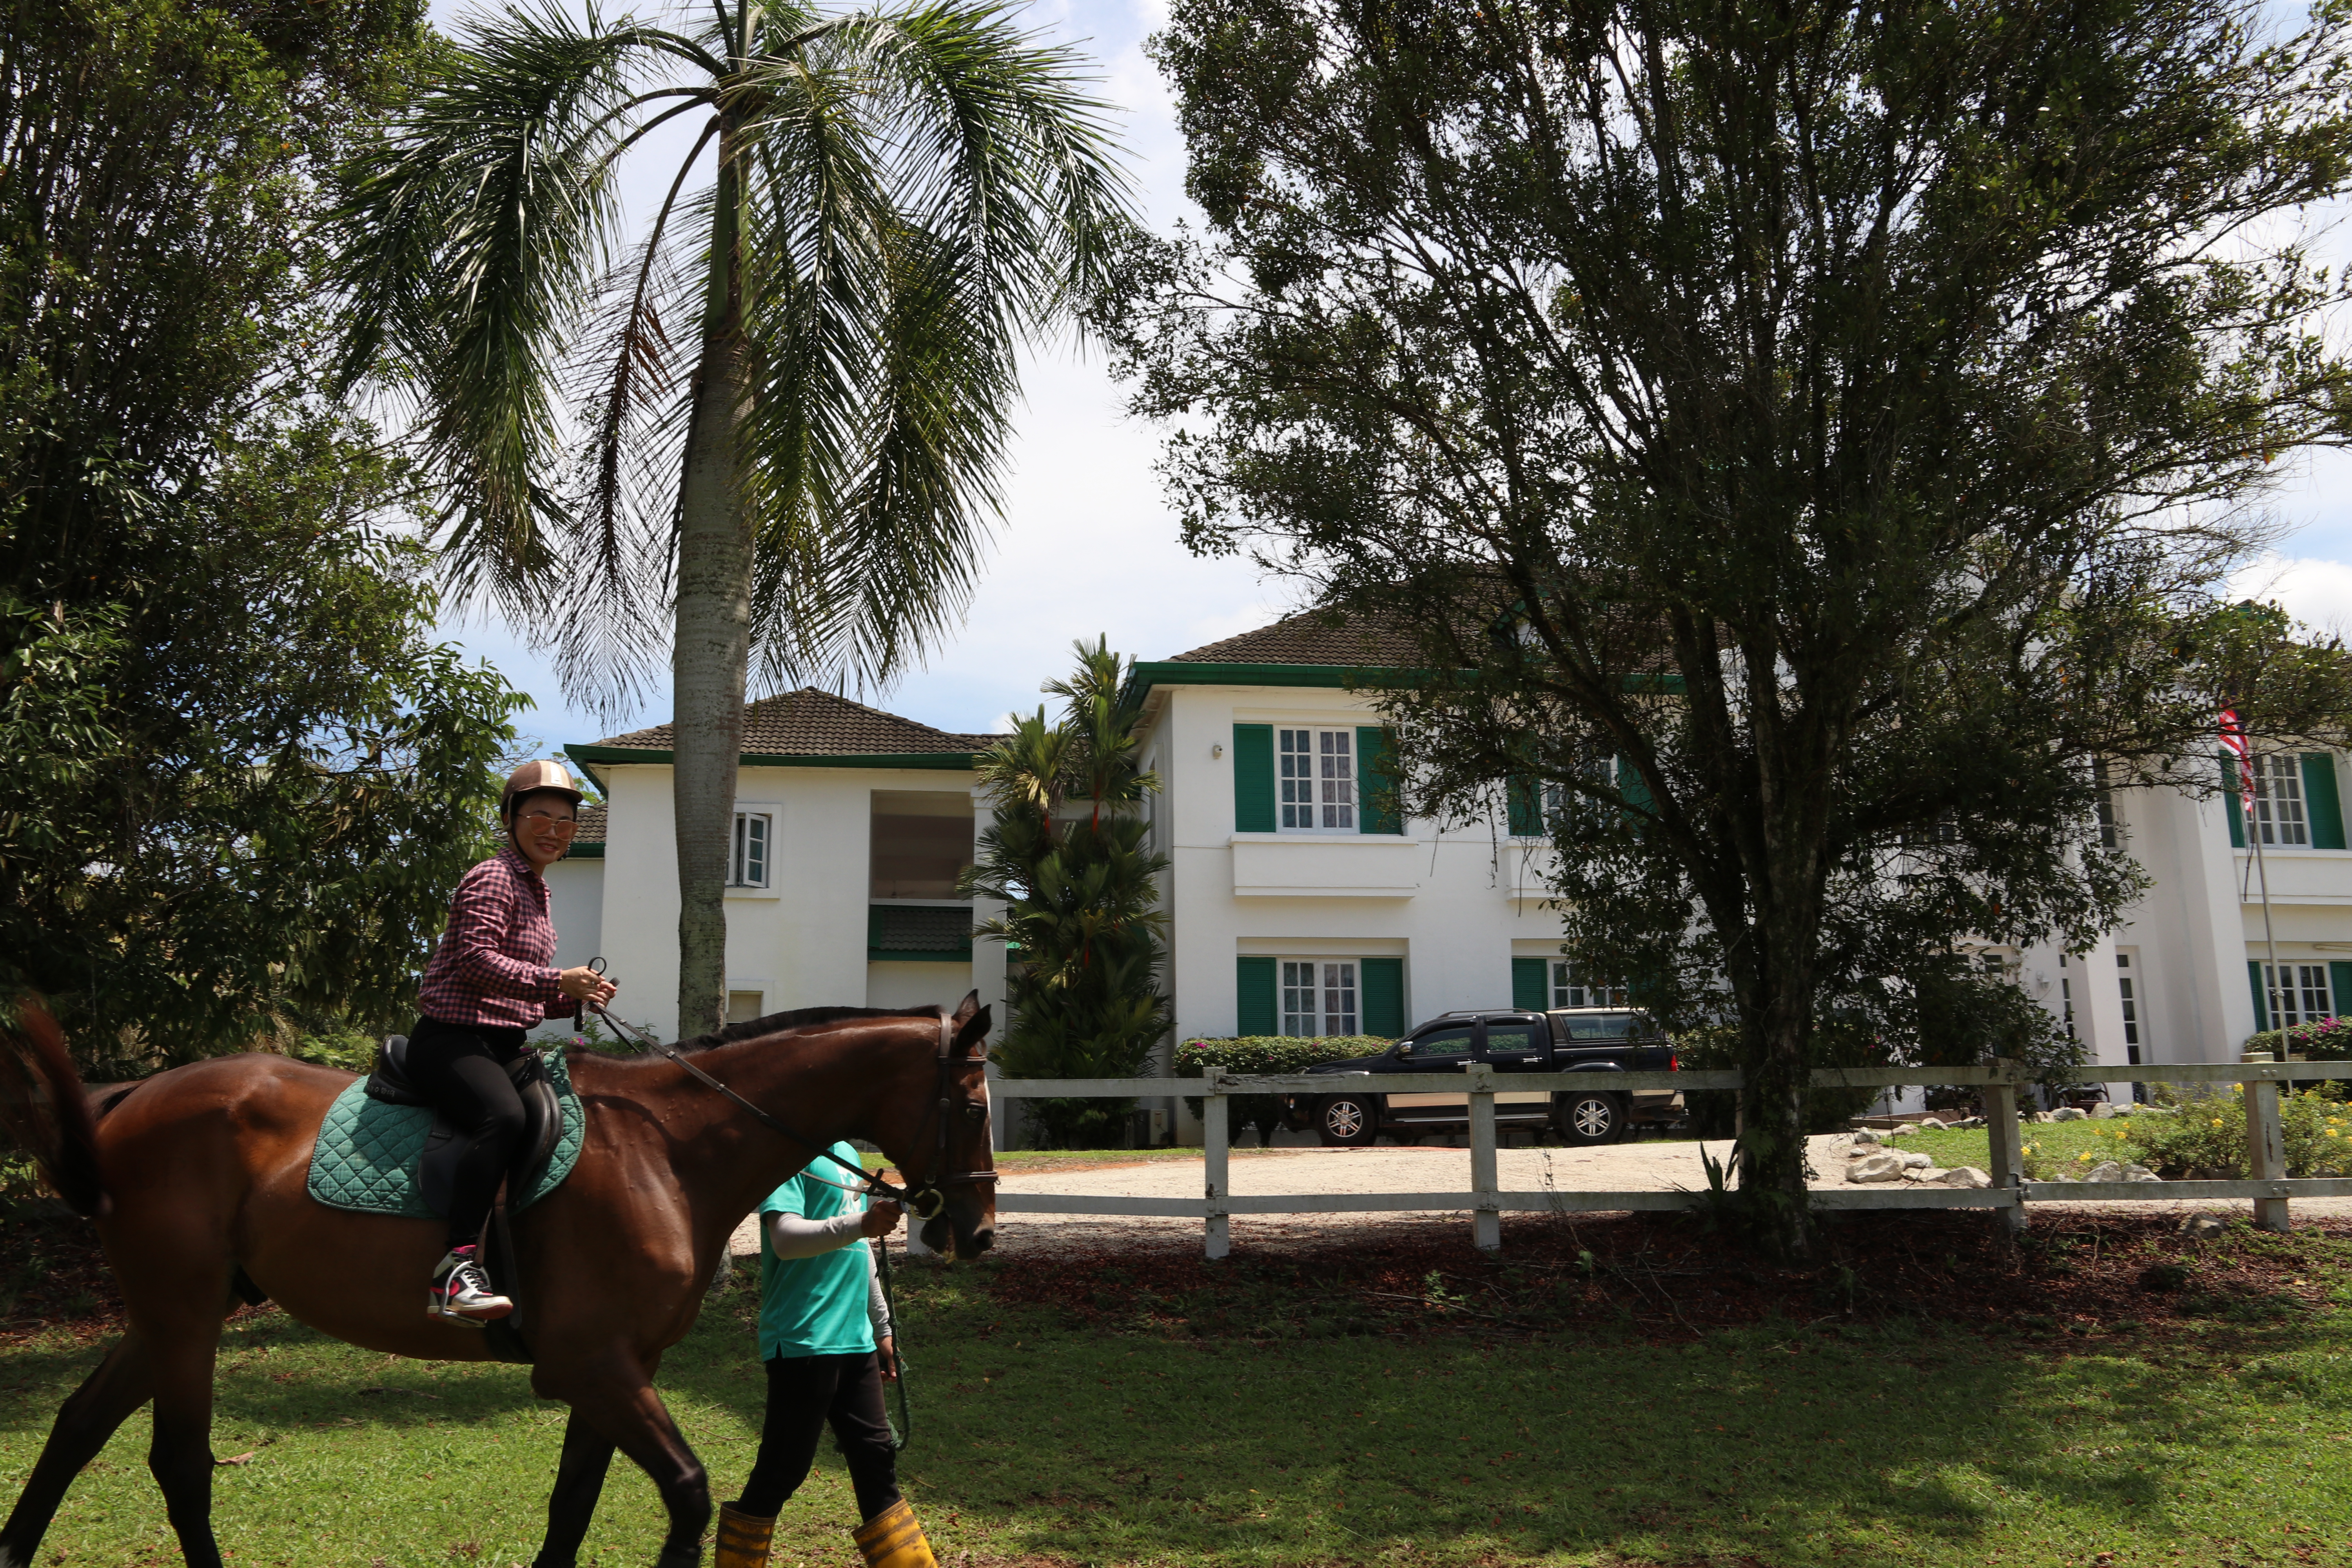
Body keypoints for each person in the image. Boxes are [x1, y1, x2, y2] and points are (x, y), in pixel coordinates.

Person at [411, 759, 617, 1321]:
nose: (554, 830)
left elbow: (518, 994)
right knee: (501, 1117)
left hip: (502, 1044)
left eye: (565, 821)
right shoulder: (494, 876)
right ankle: (453, 1271)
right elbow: (476, 962)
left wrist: (576, 998)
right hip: (452, 1039)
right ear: (510, 818)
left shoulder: (537, 890)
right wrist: (557, 980)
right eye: (540, 817)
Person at [715, 1145, 939, 1568]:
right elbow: (785, 1239)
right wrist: (862, 1223)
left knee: (877, 1462)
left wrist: (882, 1328)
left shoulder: (846, 1153)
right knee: (783, 1469)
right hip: (804, 1339)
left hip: (856, 1340)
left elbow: (860, 1249)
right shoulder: (790, 1156)